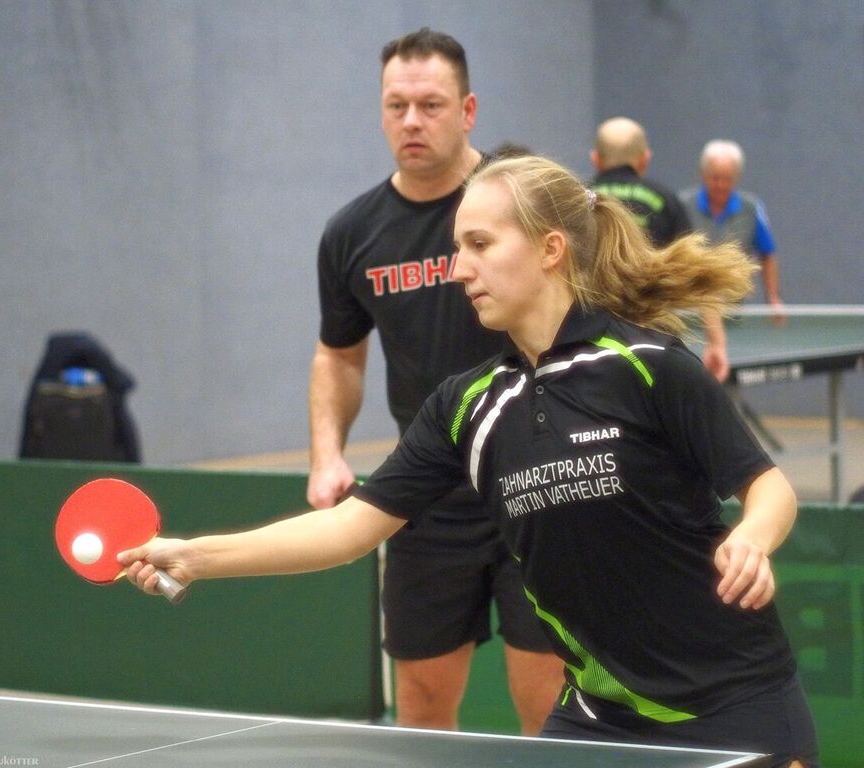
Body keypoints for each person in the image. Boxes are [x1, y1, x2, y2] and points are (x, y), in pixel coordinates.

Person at [122, 155, 819, 767]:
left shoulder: (649, 367)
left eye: (480, 244)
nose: (459, 269)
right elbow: (348, 529)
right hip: (602, 715)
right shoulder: (466, 407)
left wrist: (752, 538)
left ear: (550, 249)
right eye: (458, 248)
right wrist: (195, 556)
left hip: (733, 700)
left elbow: (769, 487)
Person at [304, 28, 563, 733]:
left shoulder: (525, 204)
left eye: (431, 105)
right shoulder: (352, 233)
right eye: (397, 106)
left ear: (468, 110)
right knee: (419, 702)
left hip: (539, 479)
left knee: (547, 699)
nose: (412, 121)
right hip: (428, 491)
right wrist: (327, 454)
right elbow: (339, 355)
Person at [590, 116, 729, 382]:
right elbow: (698, 273)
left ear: (595, 159)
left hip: (589, 345)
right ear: (644, 159)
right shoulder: (665, 199)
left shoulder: (576, 200)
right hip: (654, 342)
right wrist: (717, 343)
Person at [680, 139, 785, 322]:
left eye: (727, 179)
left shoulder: (751, 209)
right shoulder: (682, 205)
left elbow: (767, 254)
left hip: (734, 312)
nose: (721, 185)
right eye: (715, 178)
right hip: (690, 311)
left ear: (736, 178)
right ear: (703, 175)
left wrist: (773, 297)